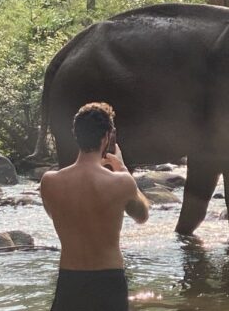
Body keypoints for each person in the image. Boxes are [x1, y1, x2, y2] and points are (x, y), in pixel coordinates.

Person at [40, 102, 150, 311]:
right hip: (109, 281)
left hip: (69, 281)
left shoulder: (49, 181)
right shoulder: (122, 182)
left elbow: (53, 214)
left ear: (76, 135)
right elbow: (142, 216)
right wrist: (123, 169)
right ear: (107, 136)